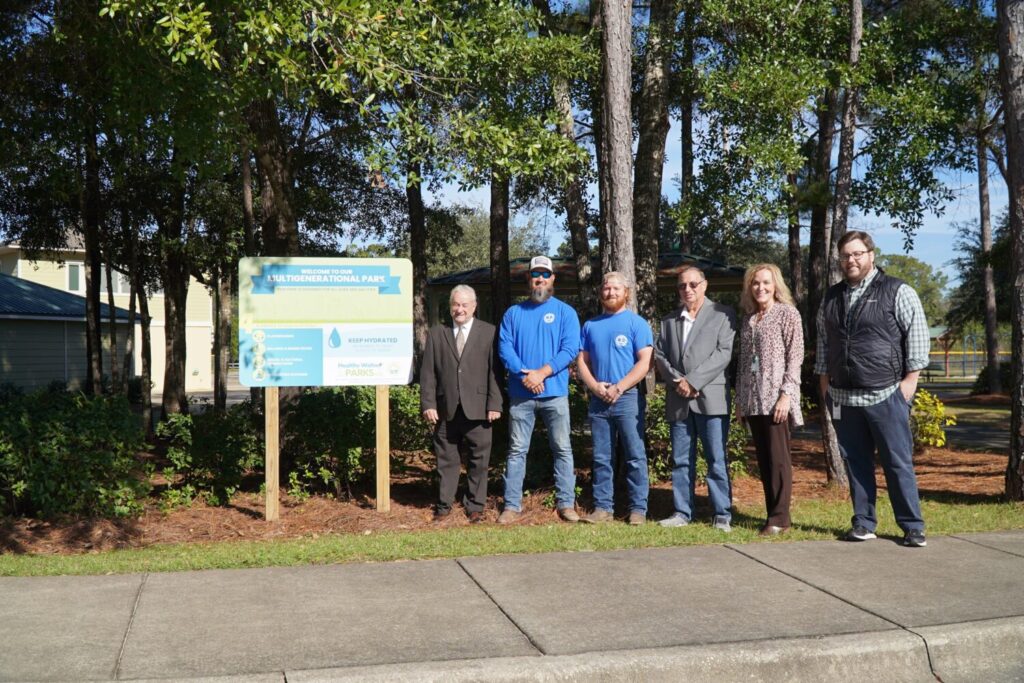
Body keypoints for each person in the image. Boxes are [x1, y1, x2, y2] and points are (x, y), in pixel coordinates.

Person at [816, 230, 930, 547]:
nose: (850, 260)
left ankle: (912, 526)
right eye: (845, 255)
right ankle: (863, 522)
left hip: (886, 394)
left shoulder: (897, 291)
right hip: (842, 397)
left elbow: (918, 339)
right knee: (856, 464)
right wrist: (825, 386)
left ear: (871, 255)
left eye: (857, 254)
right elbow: (824, 345)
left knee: (897, 462)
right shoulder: (830, 297)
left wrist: (908, 385)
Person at [497, 256, 581, 524]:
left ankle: (566, 504)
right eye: (536, 274)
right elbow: (505, 349)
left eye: (545, 274)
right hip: (522, 394)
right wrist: (525, 374)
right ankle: (511, 506)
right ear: (528, 279)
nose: (540, 279)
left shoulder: (566, 313)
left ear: (553, 278)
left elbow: (569, 350)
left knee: (563, 449)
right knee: (517, 450)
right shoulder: (513, 314)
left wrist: (541, 373)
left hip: (555, 393)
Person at [654, 266, 738, 532]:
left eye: (692, 284)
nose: (687, 290)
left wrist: (694, 381)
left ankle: (722, 513)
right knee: (681, 459)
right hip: (679, 399)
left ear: (705, 285)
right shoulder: (668, 321)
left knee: (715, 458)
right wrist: (679, 381)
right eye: (682, 286)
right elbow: (659, 355)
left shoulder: (723, 315)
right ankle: (682, 511)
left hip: (710, 398)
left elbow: (724, 353)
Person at [576, 272, 654, 525]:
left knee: (634, 454)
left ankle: (638, 509)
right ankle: (602, 508)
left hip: (627, 397)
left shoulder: (637, 324)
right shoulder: (591, 325)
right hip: (599, 398)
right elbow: (582, 362)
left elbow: (645, 362)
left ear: (626, 293)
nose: (610, 292)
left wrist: (619, 387)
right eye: (607, 288)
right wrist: (594, 386)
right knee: (601, 456)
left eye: (616, 289)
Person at [420, 285, 503, 523]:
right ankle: (444, 505)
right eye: (455, 304)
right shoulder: (437, 333)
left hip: (479, 409)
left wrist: (494, 404)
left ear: (474, 306)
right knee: (446, 460)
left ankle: (475, 506)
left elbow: (494, 372)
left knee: (479, 460)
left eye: (465, 305)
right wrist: (428, 403)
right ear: (450, 306)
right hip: (446, 409)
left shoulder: (489, 332)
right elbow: (428, 374)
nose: (459, 309)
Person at [734, 264, 804, 536]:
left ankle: (780, 518)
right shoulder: (749, 319)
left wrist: (787, 394)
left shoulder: (788, 314)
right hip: (753, 400)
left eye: (765, 283)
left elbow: (795, 357)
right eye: (755, 283)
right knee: (764, 460)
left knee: (778, 459)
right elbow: (742, 364)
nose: (760, 288)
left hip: (776, 399)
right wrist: (740, 400)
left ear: (776, 286)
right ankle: (771, 512)